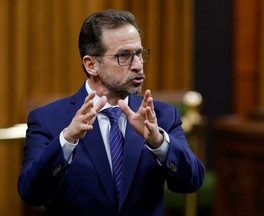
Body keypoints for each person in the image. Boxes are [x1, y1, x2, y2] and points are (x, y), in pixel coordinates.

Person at [18, 9, 205, 216]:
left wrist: (159, 143)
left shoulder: (160, 116)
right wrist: (68, 140)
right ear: (91, 65)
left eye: (139, 54)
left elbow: (191, 182)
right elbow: (32, 193)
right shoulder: (49, 119)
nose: (137, 65)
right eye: (123, 56)